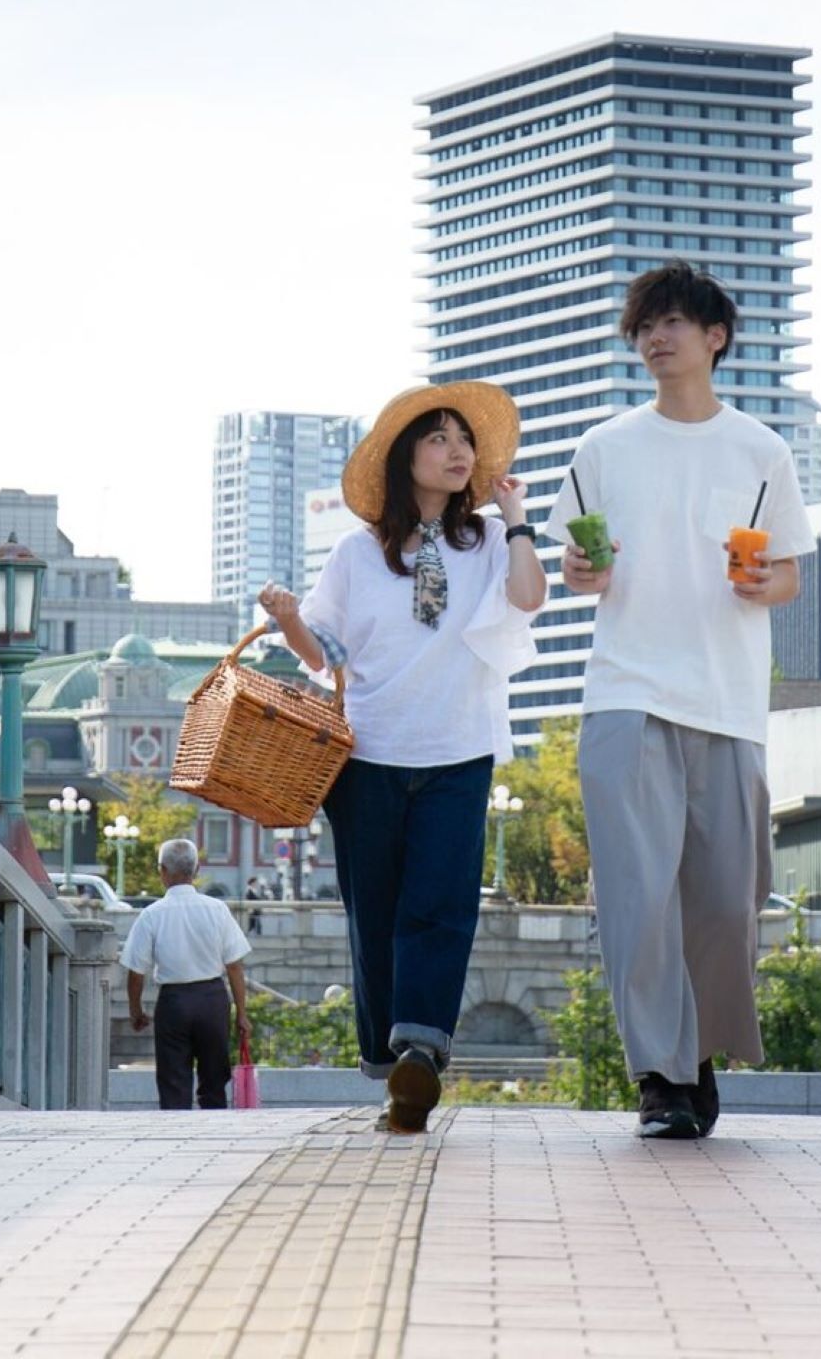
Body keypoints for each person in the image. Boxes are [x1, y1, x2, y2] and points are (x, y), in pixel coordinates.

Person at [551, 261, 811, 1142]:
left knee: (723, 901)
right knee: (636, 896)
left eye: (673, 323)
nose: (655, 338)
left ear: (715, 337)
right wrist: (582, 570)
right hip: (625, 692)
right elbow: (575, 570)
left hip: (729, 702)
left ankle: (696, 1055)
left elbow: (787, 578)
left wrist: (758, 581)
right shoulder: (603, 448)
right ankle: (660, 1078)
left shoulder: (761, 451)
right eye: (644, 327)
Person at [259, 381, 544, 1132]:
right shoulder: (358, 554)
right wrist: (291, 621)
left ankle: (420, 1049)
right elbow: (325, 654)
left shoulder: (485, 542)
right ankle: (392, 1066)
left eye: (464, 442)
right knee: (376, 914)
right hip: (366, 755)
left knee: (441, 906)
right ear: (405, 459)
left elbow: (530, 597)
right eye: (439, 440)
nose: (458, 454)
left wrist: (516, 520)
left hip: (460, 750)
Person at [120, 838, 252, 1111]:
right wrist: (242, 1013)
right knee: (214, 1080)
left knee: (173, 1083)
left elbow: (135, 972)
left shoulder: (151, 915)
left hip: (173, 1002)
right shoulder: (217, 910)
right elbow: (235, 965)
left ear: (162, 871)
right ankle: (214, 1137)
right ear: (197, 870)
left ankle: (176, 1137)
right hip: (213, 1000)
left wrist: (136, 1011)